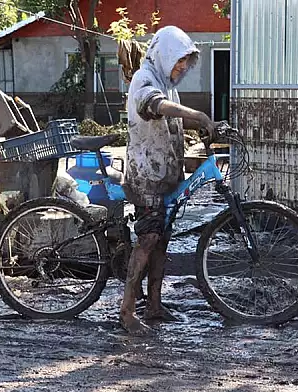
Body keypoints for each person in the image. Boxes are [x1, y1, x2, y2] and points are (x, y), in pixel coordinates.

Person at [121, 25, 217, 335]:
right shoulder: (144, 79)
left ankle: (155, 305)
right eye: (179, 61)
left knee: (162, 238)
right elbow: (155, 106)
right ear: (164, 55)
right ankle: (127, 311)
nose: (182, 68)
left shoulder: (166, 81)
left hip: (164, 173)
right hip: (145, 174)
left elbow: (169, 123)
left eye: (185, 63)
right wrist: (199, 116)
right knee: (148, 238)